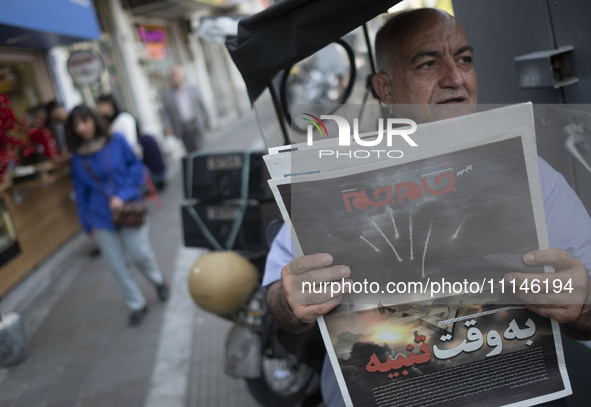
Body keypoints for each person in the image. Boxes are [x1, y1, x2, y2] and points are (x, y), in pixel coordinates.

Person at [263, 8, 591, 407]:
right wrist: (293, 301)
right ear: (385, 88)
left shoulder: (531, 173)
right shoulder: (335, 181)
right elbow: (279, 301)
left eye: (465, 60)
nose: (455, 78)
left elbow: (587, 307)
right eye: (428, 63)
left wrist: (580, 302)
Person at [66, 104, 169, 327]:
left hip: (130, 206)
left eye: (85, 121)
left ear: (94, 120)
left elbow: (137, 169)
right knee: (117, 264)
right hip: (101, 216)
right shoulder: (77, 158)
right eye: (76, 125)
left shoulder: (117, 141)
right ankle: (136, 304)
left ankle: (158, 280)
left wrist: (122, 195)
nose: (81, 128)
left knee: (139, 253)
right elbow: (81, 193)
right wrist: (86, 224)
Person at [160, 65, 209, 153]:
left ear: (182, 76)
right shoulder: (167, 95)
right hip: (182, 128)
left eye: (176, 75)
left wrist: (207, 119)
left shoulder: (193, 89)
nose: (174, 78)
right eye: (172, 75)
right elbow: (165, 113)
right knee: (190, 153)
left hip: (196, 124)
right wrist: (168, 127)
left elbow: (201, 105)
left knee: (201, 151)